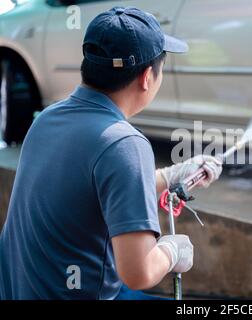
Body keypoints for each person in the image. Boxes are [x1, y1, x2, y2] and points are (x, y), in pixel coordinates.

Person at [0, 7, 222, 300]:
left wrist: (171, 176)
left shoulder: (47, 119)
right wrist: (172, 250)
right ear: (146, 77)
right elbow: (138, 272)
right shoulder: (125, 144)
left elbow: (96, 189)